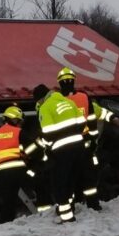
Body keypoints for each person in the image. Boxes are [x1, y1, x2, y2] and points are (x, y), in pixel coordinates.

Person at [56, 67, 119, 211]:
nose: (68, 83)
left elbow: (95, 113)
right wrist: (92, 139)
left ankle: (72, 206)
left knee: (72, 177)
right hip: (82, 145)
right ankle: (89, 204)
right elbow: (93, 116)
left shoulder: (59, 101)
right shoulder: (82, 97)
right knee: (86, 177)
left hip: (71, 147)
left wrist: (111, 117)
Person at [34, 81, 86, 223]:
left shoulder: (45, 107)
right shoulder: (68, 102)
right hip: (79, 146)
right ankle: (70, 207)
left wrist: (45, 146)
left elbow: (48, 133)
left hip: (62, 150)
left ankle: (66, 216)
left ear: (40, 98)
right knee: (70, 180)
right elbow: (82, 123)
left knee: (59, 183)